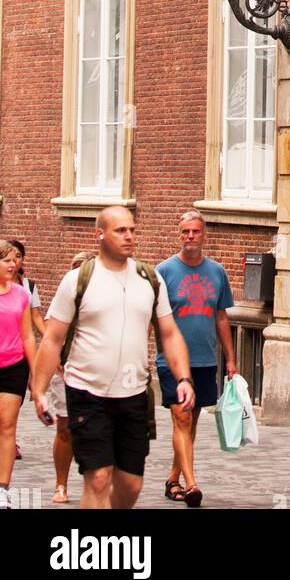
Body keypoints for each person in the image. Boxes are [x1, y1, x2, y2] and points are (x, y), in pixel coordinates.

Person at [31, 206, 194, 510]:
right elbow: (53, 338)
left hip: (132, 394)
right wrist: (39, 391)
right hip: (86, 392)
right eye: (121, 230)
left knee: (130, 484)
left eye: (132, 229)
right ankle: (95, 552)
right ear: (100, 235)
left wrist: (184, 378)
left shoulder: (150, 278)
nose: (129, 236)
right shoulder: (78, 280)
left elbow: (170, 334)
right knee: (98, 478)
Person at [156, 210, 236, 507]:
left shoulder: (217, 271)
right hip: (172, 362)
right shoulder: (163, 271)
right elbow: (154, 317)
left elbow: (222, 316)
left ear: (204, 235)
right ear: (179, 235)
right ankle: (191, 484)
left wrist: (230, 357)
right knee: (182, 418)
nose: (190, 237)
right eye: (185, 232)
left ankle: (172, 479)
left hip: (204, 359)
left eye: (195, 232)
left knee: (191, 423)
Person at [44, 250, 95, 504]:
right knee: (65, 428)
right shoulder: (64, 296)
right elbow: (52, 334)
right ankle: (61, 484)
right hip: (65, 370)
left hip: (97, 372)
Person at [0, 239, 36, 509]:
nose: (13, 265)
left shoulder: (21, 294)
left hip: (14, 366)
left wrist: (37, 375)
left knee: (7, 425)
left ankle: (3, 488)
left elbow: (28, 337)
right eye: (7, 260)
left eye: (15, 260)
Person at [8, 240, 46, 336]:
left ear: (23, 259)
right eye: (10, 256)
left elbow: (36, 316)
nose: (14, 261)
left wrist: (49, 340)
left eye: (18, 256)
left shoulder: (29, 285)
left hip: (21, 340)